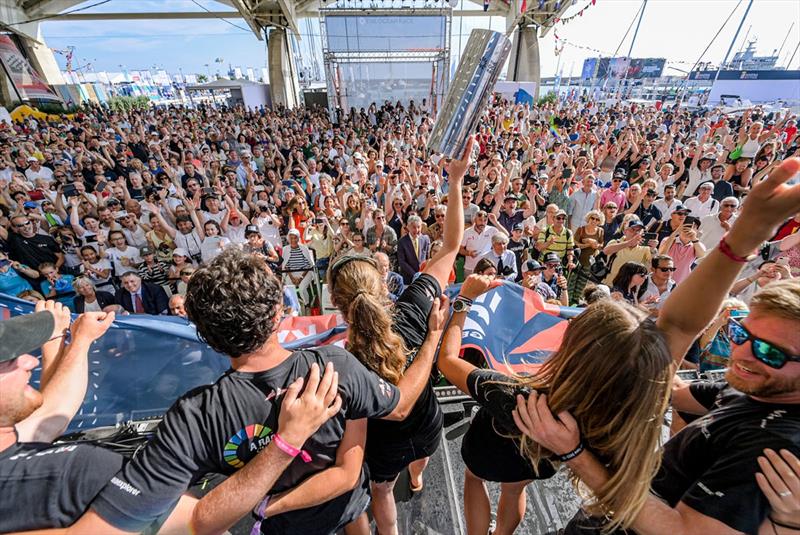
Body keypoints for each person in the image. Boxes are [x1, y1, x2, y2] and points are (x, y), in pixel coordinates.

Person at [41, 248, 445, 535]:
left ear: (210, 339)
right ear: (278, 315)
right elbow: (401, 404)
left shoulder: (196, 415)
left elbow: (140, 518)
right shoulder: (331, 367)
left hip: (284, 521)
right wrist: (432, 341)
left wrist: (65, 346)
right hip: (338, 504)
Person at [513, 156, 800, 534]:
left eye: (770, 352)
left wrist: (575, 453)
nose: (743, 354)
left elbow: (680, 531)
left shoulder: (775, 449)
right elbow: (676, 332)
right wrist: (747, 234)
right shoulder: (757, 388)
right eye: (741, 335)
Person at [326, 136, 470, 535]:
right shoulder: (413, 307)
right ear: (384, 284)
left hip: (383, 446)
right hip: (428, 424)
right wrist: (455, 181)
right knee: (422, 457)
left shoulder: (340, 363)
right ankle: (420, 477)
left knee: (382, 489)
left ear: (338, 304)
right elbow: (451, 246)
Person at [0, 301, 118, 532]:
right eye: (8, 360)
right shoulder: (81, 469)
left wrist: (68, 340)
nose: (30, 361)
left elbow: (50, 417)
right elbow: (192, 519)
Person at [396, 215, 430, 284]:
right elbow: (402, 262)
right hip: (408, 278)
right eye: (414, 227)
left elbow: (428, 257)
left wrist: (423, 273)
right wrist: (415, 275)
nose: (417, 230)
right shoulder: (402, 242)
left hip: (423, 277)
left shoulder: (425, 239)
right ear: (408, 227)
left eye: (418, 227)